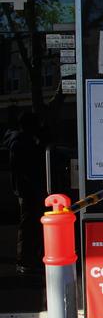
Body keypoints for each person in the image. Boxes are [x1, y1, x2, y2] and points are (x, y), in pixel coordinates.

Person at [9, 111, 46, 275]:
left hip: (26, 190)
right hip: (29, 190)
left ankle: (27, 259)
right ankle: (26, 260)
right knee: (29, 226)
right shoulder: (21, 143)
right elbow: (29, 168)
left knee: (30, 226)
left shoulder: (19, 141)